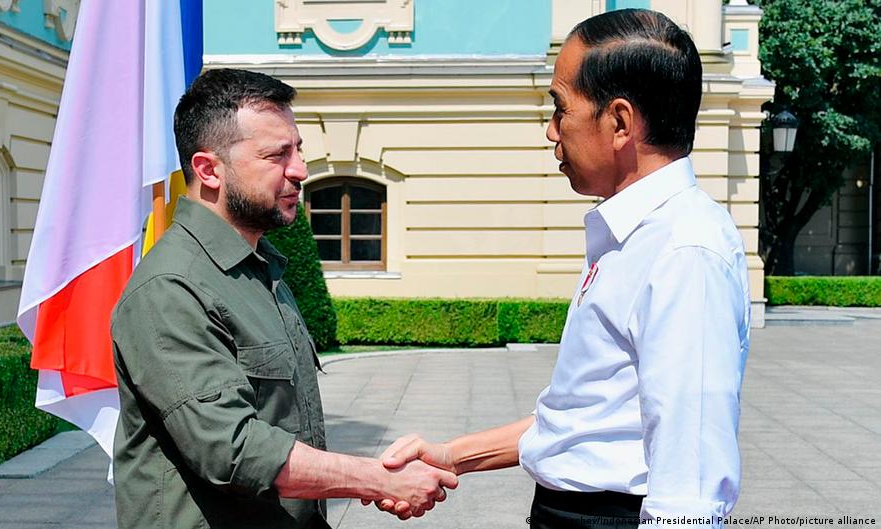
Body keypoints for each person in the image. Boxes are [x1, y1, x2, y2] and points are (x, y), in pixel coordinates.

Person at [372, 9, 750, 529]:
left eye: (560, 108)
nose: (551, 131)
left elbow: (692, 474)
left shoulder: (684, 249)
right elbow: (585, 420)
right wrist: (451, 456)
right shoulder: (630, 235)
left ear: (619, 122)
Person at [110, 68, 457, 529]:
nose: (299, 170)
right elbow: (234, 450)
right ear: (208, 169)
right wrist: (377, 479)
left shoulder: (260, 269)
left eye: (297, 151)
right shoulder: (171, 288)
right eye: (277, 155)